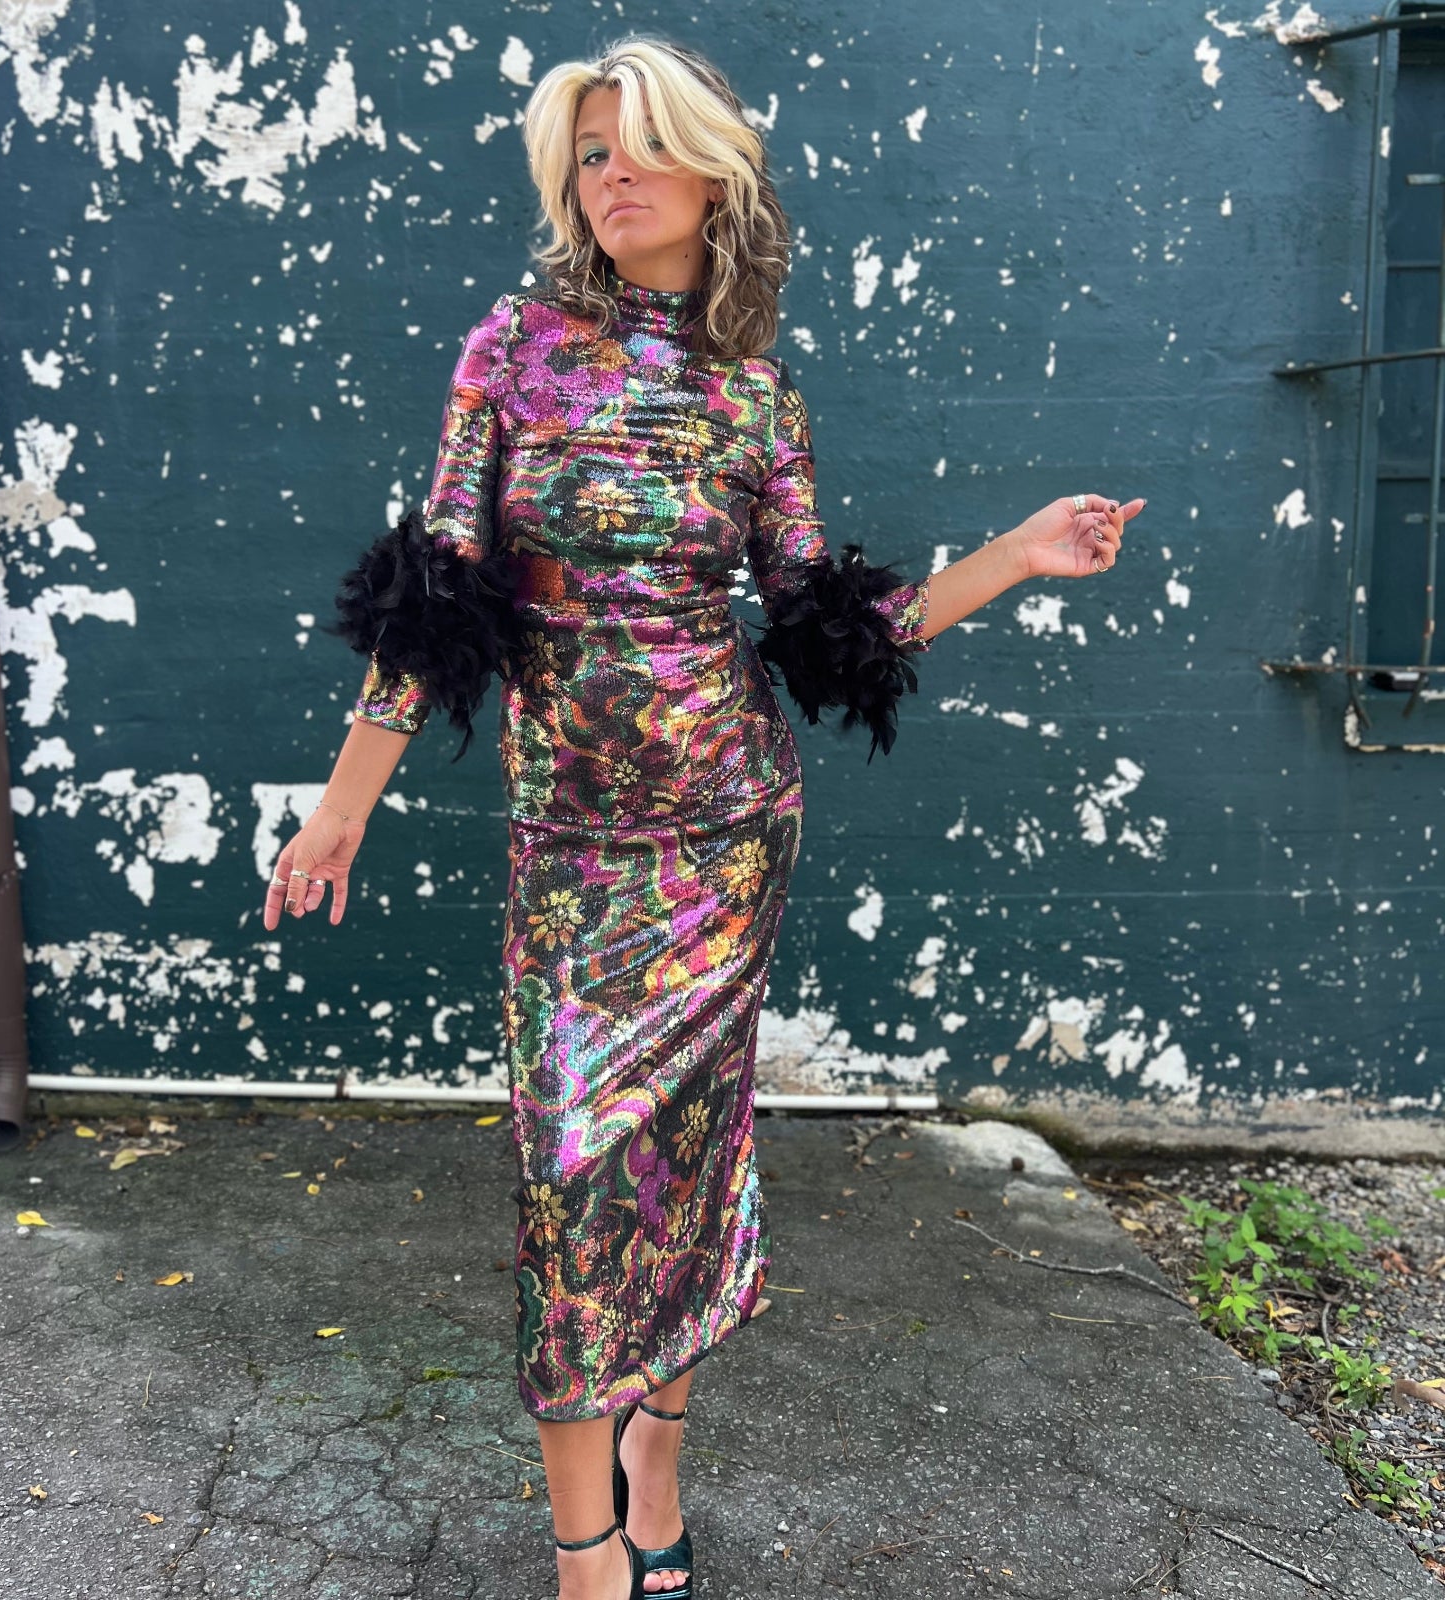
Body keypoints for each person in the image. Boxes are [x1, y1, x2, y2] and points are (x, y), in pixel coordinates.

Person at [263, 35, 1143, 1600]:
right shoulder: (516, 349)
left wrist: (1013, 558)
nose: (609, 176)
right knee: (573, 1168)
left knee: (689, 1154)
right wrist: (344, 809)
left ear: (712, 176)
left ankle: (657, 1454)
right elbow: (436, 596)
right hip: (573, 848)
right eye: (589, 152)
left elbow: (825, 633)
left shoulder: (754, 391)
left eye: (638, 148)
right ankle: (582, 1543)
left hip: (731, 833)